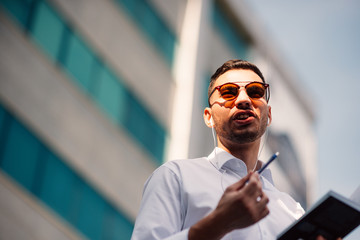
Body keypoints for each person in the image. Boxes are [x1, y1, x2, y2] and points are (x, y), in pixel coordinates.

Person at [131, 60, 331, 240]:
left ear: (268, 115)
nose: (243, 99)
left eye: (255, 91)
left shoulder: (291, 209)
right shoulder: (175, 177)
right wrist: (219, 223)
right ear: (208, 117)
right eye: (228, 92)